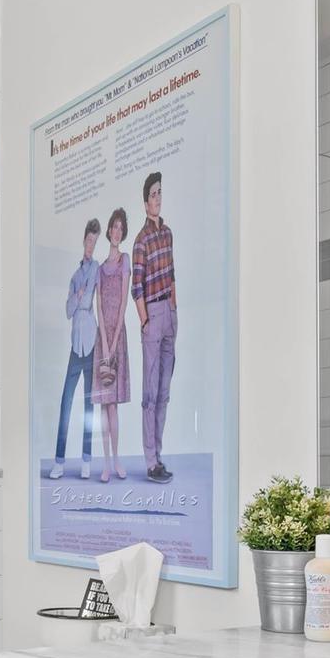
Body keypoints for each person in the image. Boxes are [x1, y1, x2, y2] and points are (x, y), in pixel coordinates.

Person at [131, 171, 177, 483]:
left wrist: (175, 308)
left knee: (164, 391)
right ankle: (150, 461)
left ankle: (159, 456)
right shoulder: (141, 240)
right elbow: (136, 287)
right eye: (153, 194)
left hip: (169, 312)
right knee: (149, 393)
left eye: (160, 193)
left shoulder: (168, 233)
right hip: (152, 314)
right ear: (145, 201)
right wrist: (146, 320)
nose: (157, 199)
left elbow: (172, 274)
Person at [50, 218, 101, 479]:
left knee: (89, 405)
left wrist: (83, 299)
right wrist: (78, 296)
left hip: (91, 340)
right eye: (89, 240)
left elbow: (97, 299)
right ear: (84, 240)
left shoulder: (96, 269)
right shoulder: (74, 276)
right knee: (66, 402)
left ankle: (86, 460)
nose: (91, 244)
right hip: (75, 344)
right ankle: (59, 460)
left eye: (95, 241)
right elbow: (68, 311)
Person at [91, 207, 132, 483]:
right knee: (103, 406)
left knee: (114, 405)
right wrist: (104, 342)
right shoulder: (99, 268)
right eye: (113, 227)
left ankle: (116, 459)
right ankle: (105, 463)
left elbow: (123, 304)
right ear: (108, 231)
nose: (116, 231)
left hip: (118, 335)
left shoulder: (125, 261)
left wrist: (114, 340)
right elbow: (98, 306)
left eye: (120, 228)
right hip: (101, 337)